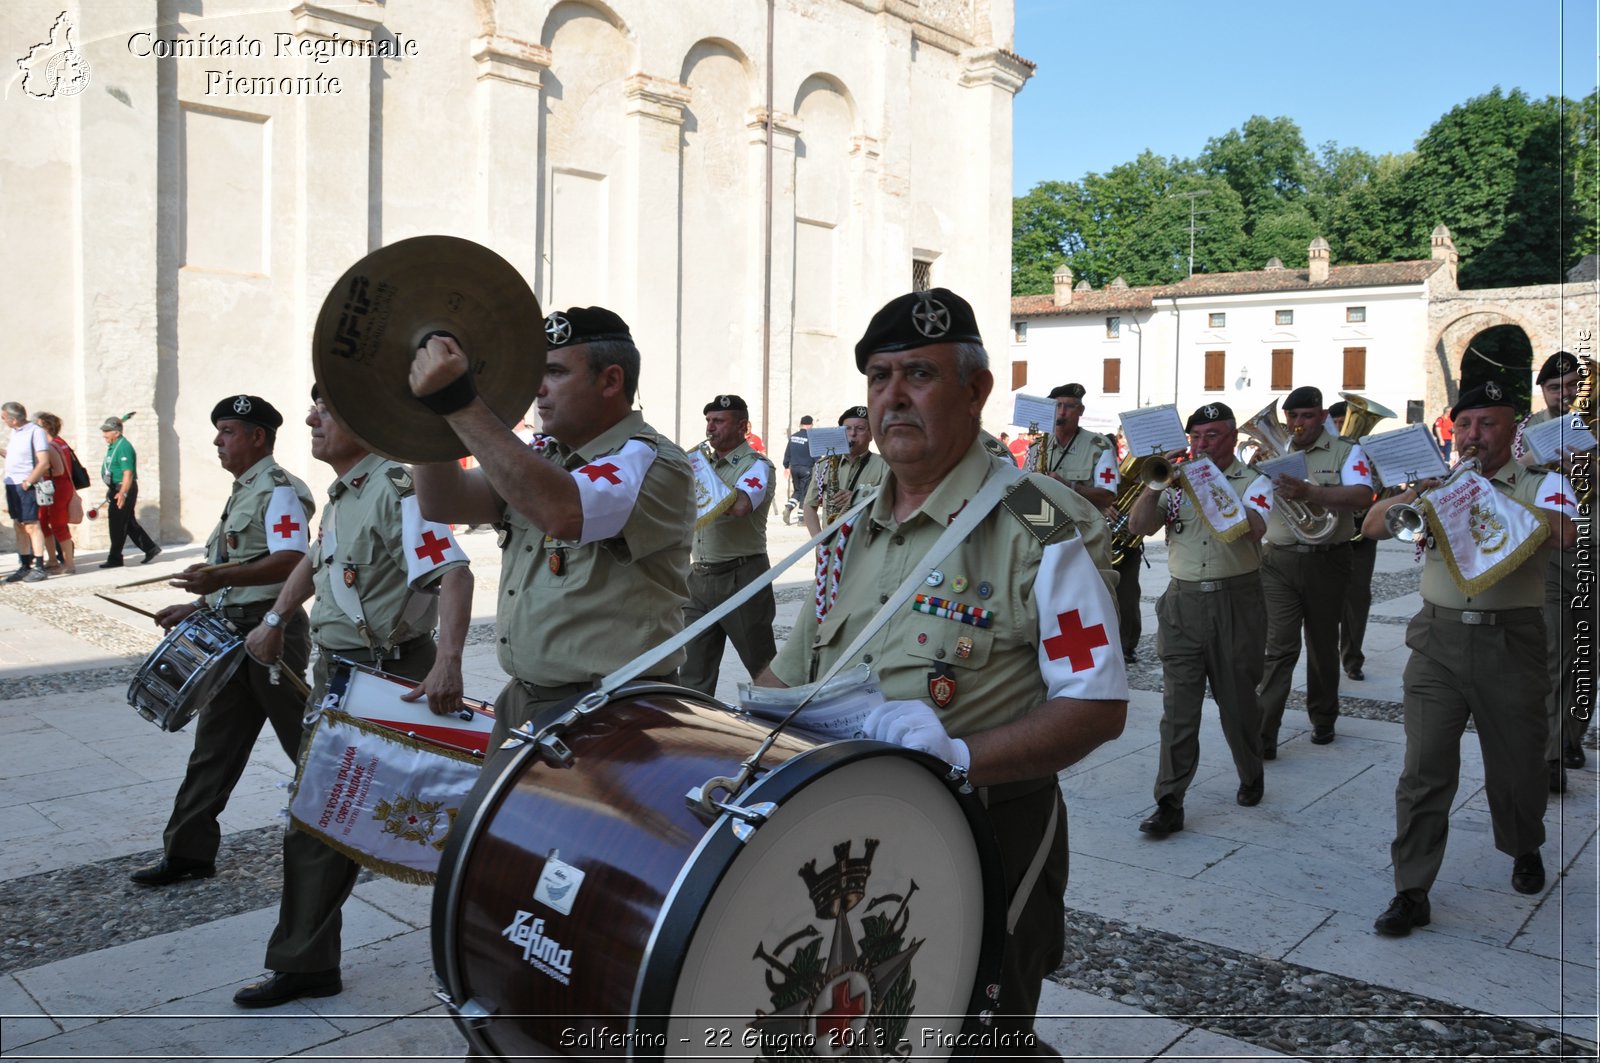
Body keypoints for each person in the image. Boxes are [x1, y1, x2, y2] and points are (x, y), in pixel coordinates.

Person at [758, 288, 1128, 1051]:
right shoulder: (854, 519)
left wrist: (956, 757)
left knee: (977, 1038)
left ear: (976, 389)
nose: (893, 396)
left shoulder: (1038, 519)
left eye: (919, 375)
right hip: (845, 844)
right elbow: (787, 676)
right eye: (879, 377)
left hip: (983, 835)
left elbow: (1096, 703)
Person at [232, 386, 473, 1008]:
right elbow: (316, 560)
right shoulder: (344, 494)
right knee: (319, 816)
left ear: (366, 422)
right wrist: (278, 619)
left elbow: (453, 572)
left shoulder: (396, 488)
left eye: (328, 410)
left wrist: (449, 663)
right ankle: (306, 961)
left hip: (390, 678)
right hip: (343, 675)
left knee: (452, 814)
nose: (311, 419)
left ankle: (497, 944)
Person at [408, 306, 693, 747]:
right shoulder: (543, 456)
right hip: (527, 702)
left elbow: (565, 511)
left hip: (611, 712)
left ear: (610, 381)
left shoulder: (648, 460)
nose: (537, 389)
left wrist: (462, 402)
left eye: (556, 372)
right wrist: (429, 418)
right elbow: (443, 501)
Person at [1364, 381, 1576, 936]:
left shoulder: (1543, 481)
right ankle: (1411, 888)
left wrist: (1488, 496)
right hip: (1438, 640)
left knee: (1518, 765)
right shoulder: (1440, 484)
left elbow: (1568, 533)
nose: (1473, 437)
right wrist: (1425, 492)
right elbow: (1369, 526)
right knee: (1424, 768)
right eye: (1465, 426)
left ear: (1514, 430)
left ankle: (1523, 844)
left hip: (1512, 640)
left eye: (1487, 425)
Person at [131, 396, 315, 886]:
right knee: (214, 746)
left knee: (307, 744)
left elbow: (293, 559)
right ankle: (187, 852)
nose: (217, 440)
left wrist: (219, 578)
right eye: (218, 431)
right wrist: (199, 604)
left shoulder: (278, 490)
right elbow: (241, 571)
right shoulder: (244, 491)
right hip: (232, 632)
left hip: (272, 632)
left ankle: (346, 837)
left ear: (258, 437)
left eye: (228, 430)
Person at [1124, 402, 1273, 835]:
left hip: (1236, 603)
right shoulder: (1174, 482)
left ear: (1231, 438)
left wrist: (1211, 486)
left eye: (1211, 436)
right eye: (1195, 437)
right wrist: (1154, 487)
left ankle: (1251, 770)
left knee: (1238, 702)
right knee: (1178, 710)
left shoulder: (1254, 481)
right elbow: (1137, 527)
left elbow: (1256, 527)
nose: (1201, 444)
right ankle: (1169, 800)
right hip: (1182, 605)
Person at [1255, 386, 1374, 755]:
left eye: (1306, 416)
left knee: (1322, 644)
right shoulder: (1274, 453)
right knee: (1279, 647)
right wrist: (1253, 470)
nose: (1298, 424)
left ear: (1322, 417)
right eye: (1291, 417)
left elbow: (1361, 495)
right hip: (1278, 561)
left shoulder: (1346, 451)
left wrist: (1311, 493)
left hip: (1328, 558)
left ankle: (1324, 717)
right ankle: (1264, 731)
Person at [1516, 351, 1591, 789]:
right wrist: (1533, 463)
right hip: (1546, 546)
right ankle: (1551, 751)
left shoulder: (1594, 421)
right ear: (1542, 391)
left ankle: (1571, 735)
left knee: (1584, 653)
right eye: (1553, 388)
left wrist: (1581, 468)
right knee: (1554, 651)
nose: (1562, 395)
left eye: (1569, 387)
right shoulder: (1527, 429)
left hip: (1589, 548)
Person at [681, 394, 778, 696]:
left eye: (719, 421)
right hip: (700, 578)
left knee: (762, 667)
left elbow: (741, 505)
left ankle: (786, 729)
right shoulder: (701, 465)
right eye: (708, 421)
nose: (711, 428)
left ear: (742, 427)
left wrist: (701, 475)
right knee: (694, 671)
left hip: (741, 576)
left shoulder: (757, 466)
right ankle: (695, 734)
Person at [1040, 384, 1139, 660]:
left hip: (1085, 537)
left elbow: (1107, 494)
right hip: (1047, 537)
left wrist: (1068, 486)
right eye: (1058, 406)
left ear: (1080, 411)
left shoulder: (1098, 446)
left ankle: (1108, 653)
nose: (1062, 412)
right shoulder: (1040, 445)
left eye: (1069, 406)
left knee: (1095, 602)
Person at [1327, 400, 1378, 682]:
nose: (1341, 427)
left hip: (1361, 536)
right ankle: (1325, 654)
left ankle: (1352, 658)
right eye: (1336, 422)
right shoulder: (1325, 456)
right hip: (1329, 535)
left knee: (1357, 598)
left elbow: (1385, 490)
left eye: (1344, 421)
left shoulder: (1368, 456)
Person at [801, 405, 887, 535]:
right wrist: (818, 541)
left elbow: (894, 505)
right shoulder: (824, 465)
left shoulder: (885, 465)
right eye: (847, 429)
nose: (852, 433)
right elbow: (809, 506)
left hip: (865, 543)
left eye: (860, 429)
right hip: (829, 544)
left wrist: (859, 499)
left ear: (871, 435)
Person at [99, 414, 161, 568]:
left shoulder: (124, 447)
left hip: (124, 488)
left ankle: (115, 558)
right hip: (116, 488)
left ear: (117, 432)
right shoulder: (114, 446)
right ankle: (150, 548)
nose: (104, 434)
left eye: (107, 431)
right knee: (127, 522)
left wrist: (123, 493)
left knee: (117, 524)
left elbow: (128, 473)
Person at [2, 401, 54, 583]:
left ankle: (39, 566)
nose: (3, 420)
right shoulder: (15, 432)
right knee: (19, 525)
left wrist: (28, 482)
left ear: (13, 419)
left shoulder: (35, 432)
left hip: (26, 485)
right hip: (12, 483)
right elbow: (14, 455)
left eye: (4, 417)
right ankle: (25, 565)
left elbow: (43, 462)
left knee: (32, 525)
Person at [32, 412, 78, 574]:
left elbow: (58, 470)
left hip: (57, 488)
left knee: (59, 525)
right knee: (43, 523)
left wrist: (39, 472)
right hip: (54, 488)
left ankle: (69, 564)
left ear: (45, 427)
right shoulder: (60, 442)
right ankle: (52, 560)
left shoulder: (50, 446)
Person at [781, 414, 816, 525]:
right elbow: (816, 456)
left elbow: (787, 453)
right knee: (805, 493)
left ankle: (789, 507)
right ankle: (801, 519)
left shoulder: (794, 436)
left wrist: (786, 466)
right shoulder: (811, 438)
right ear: (810, 425)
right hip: (806, 469)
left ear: (801, 424)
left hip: (794, 468)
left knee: (797, 491)